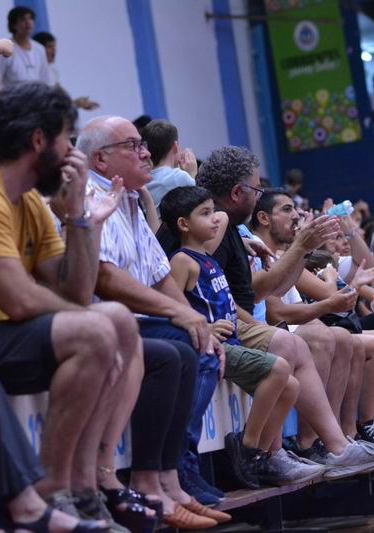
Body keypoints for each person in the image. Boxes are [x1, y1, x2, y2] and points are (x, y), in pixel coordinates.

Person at [0, 82, 139, 522]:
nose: (72, 153)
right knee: (96, 328)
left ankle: (82, 485)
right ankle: (51, 489)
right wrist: (91, 325)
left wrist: (77, 215)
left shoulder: (27, 197)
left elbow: (76, 291)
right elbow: (19, 299)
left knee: (118, 320)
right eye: (67, 139)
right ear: (40, 140)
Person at [170, 145, 374, 481]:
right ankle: (292, 448)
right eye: (257, 190)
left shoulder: (234, 230)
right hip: (220, 327)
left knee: (309, 349)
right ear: (237, 193)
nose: (259, 196)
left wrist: (302, 249)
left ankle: (325, 444)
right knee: (298, 345)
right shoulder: (217, 230)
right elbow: (244, 296)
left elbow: (258, 291)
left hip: (237, 321)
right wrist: (302, 248)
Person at [76, 115, 230, 527]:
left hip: (133, 320)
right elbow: (106, 278)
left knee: (194, 342)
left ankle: (170, 478)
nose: (145, 153)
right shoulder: (90, 196)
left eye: (143, 145)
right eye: (133, 146)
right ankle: (154, 478)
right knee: (174, 352)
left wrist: (196, 319)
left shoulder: (129, 197)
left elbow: (160, 274)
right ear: (100, 159)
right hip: (101, 322)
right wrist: (182, 315)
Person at [162, 185, 325, 489]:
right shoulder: (182, 261)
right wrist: (204, 328)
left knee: (291, 386)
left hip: (232, 343)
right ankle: (247, 448)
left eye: (214, 211)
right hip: (212, 346)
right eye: (205, 214)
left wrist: (246, 243)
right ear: (183, 224)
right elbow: (170, 305)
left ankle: (259, 455)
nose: (215, 218)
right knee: (279, 368)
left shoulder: (208, 257)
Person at [250, 190, 374, 457]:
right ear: (264, 218)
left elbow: (366, 282)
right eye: (287, 210)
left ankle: (344, 436)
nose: (296, 216)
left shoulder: (287, 254)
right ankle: (314, 441)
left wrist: (342, 235)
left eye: (295, 210)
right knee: (336, 334)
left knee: (353, 335)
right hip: (267, 331)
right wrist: (329, 277)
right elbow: (282, 309)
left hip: (294, 325)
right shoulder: (259, 249)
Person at [32, 31, 100, 111]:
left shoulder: (53, 70)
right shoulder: (33, 71)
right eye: (49, 47)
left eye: (54, 46)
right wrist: (76, 104)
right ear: (39, 49)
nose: (54, 50)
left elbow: (60, 100)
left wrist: (78, 103)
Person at [141, 119, 197, 207]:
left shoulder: (142, 180)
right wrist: (192, 174)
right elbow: (197, 204)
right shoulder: (178, 177)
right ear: (175, 146)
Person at [0, 7, 53, 90]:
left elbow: (45, 79)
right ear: (13, 25)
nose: (28, 22)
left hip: (37, 95)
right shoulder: (5, 48)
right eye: (23, 19)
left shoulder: (39, 49)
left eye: (30, 18)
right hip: (12, 96)